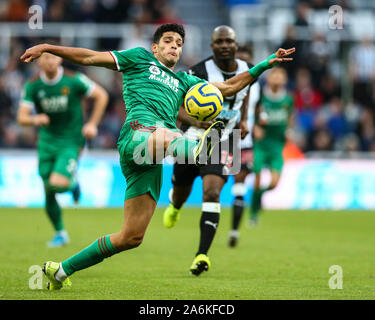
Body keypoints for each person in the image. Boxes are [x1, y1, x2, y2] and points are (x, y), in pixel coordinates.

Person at [20, 23, 294, 290]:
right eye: (168, 41)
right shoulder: (138, 58)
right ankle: (196, 149)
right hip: (137, 136)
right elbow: (89, 57)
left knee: (131, 237)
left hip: (152, 159)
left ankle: (62, 270)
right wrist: (48, 47)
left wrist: (265, 64)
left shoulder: (185, 80)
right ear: (155, 47)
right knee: (166, 132)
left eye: (178, 44)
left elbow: (229, 87)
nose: (174, 46)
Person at [162, 26, 257, 275]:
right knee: (181, 191)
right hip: (192, 139)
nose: (225, 45)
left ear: (236, 44)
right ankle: (175, 206)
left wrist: (244, 120)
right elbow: (176, 108)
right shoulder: (198, 72)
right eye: (219, 42)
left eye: (229, 41)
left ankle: (202, 254)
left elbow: (244, 95)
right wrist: (196, 122)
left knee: (213, 192)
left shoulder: (247, 70)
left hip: (226, 140)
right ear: (212, 46)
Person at [17, 47, 109, 248]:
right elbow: (22, 117)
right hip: (46, 143)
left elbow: (101, 95)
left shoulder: (74, 80)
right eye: (46, 58)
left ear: (60, 60)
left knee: (57, 183)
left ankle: (73, 185)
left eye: (54, 57)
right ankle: (60, 233)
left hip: (71, 140)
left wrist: (92, 123)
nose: (50, 61)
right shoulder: (33, 85)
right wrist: (35, 118)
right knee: (48, 190)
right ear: (39, 62)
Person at [249, 67, 294, 226]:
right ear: (268, 78)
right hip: (261, 145)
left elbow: (290, 117)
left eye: (280, 75)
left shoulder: (288, 99)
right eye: (274, 75)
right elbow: (251, 115)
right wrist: (255, 127)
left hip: (277, 146)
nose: (277, 78)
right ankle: (253, 214)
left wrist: (289, 130)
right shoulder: (260, 97)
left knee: (274, 183)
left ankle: (258, 197)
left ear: (285, 80)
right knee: (257, 179)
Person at [228, 44, 261, 248]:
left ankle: (234, 230)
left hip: (245, 140)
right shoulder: (225, 81)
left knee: (239, 183)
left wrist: (261, 120)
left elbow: (260, 107)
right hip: (222, 138)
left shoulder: (257, 85)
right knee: (215, 184)